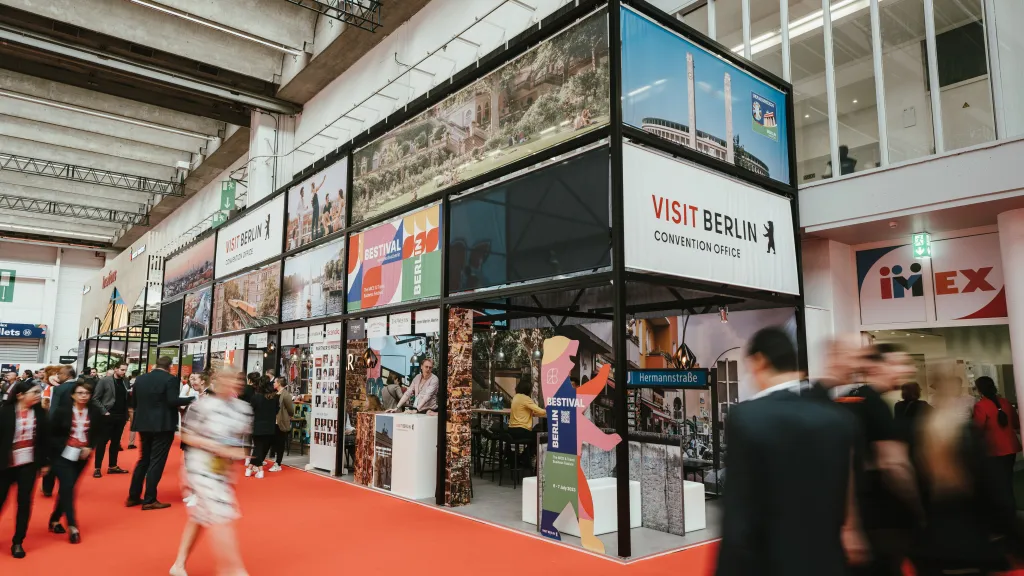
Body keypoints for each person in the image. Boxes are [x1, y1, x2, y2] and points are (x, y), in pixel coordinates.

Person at [715, 327, 860, 576]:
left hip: (769, 564)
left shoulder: (747, 418)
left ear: (759, 362)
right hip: (828, 563)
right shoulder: (839, 419)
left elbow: (738, 517)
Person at [915, 371, 1024, 575]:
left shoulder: (942, 420)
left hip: (992, 453)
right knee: (1005, 484)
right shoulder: (995, 403)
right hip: (1008, 448)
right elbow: (1015, 423)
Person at [841, 343, 921, 576]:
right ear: (876, 367)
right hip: (879, 517)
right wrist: (918, 509)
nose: (906, 369)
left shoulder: (852, 399)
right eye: (898, 364)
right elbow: (894, 465)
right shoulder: (875, 405)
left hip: (859, 515)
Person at [169, 371, 252, 576]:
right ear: (216, 381)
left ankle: (178, 564)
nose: (231, 383)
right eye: (227, 379)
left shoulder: (243, 409)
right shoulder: (202, 405)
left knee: (201, 515)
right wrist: (212, 445)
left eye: (236, 380)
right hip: (199, 465)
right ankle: (232, 570)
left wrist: (233, 453)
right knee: (221, 515)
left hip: (222, 470)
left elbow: (244, 445)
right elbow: (186, 436)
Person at [127, 356, 193, 510]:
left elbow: (134, 402)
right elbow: (172, 401)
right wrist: (191, 399)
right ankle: (150, 499)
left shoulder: (140, 379)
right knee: (156, 461)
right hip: (163, 425)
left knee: (144, 460)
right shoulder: (170, 380)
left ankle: (133, 496)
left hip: (143, 423)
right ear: (170, 366)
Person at [47, 380, 102, 545]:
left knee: (67, 488)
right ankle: (72, 526)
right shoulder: (62, 411)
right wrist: (61, 448)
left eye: (87, 393)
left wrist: (90, 446)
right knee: (68, 487)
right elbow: (52, 434)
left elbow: (98, 431)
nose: (84, 396)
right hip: (62, 455)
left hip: (82, 456)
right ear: (72, 395)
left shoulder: (94, 411)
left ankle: (55, 519)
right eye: (80, 393)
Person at [0, 379, 50, 558]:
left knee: (24, 503)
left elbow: (44, 440)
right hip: (4, 466)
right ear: (20, 395)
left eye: (39, 392)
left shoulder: (40, 413)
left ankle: (18, 541)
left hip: (28, 464)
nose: (38, 396)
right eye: (35, 392)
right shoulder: (4, 411)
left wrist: (44, 463)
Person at [972, 376, 1021, 514]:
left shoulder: (981, 406)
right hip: (1010, 448)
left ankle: (1003, 513)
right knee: (1007, 480)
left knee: (997, 483)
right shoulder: (1005, 402)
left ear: (980, 389)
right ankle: (1011, 509)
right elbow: (1016, 424)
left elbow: (978, 428)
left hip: (994, 450)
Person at [41, 366, 76, 498]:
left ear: (66, 375)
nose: (58, 376)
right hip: (74, 428)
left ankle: (48, 488)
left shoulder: (58, 389)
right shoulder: (81, 387)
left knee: (53, 458)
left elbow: (53, 410)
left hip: (57, 429)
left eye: (60, 374)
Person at [91, 362, 131, 478]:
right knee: (102, 442)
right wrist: (105, 412)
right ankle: (97, 468)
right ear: (115, 369)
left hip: (121, 416)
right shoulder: (104, 381)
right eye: (122, 370)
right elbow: (95, 398)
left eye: (125, 370)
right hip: (107, 416)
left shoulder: (125, 381)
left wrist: (126, 414)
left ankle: (112, 466)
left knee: (115, 443)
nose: (124, 372)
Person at [246, 377, 279, 479]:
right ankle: (250, 468)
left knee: (257, 448)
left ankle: (258, 470)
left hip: (257, 426)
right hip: (270, 426)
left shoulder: (256, 398)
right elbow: (277, 410)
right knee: (259, 448)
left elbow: (250, 411)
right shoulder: (275, 398)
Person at [270, 377, 294, 473]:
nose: (273, 384)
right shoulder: (275, 394)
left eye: (275, 382)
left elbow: (290, 409)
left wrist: (289, 416)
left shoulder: (286, 395)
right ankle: (275, 460)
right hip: (274, 421)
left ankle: (278, 463)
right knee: (275, 442)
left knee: (280, 442)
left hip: (282, 421)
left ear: (279, 383)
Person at [127, 369, 140, 449]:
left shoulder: (126, 382)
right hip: (134, 406)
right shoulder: (139, 383)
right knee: (133, 425)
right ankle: (131, 443)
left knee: (122, 426)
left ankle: (118, 443)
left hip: (125, 405)